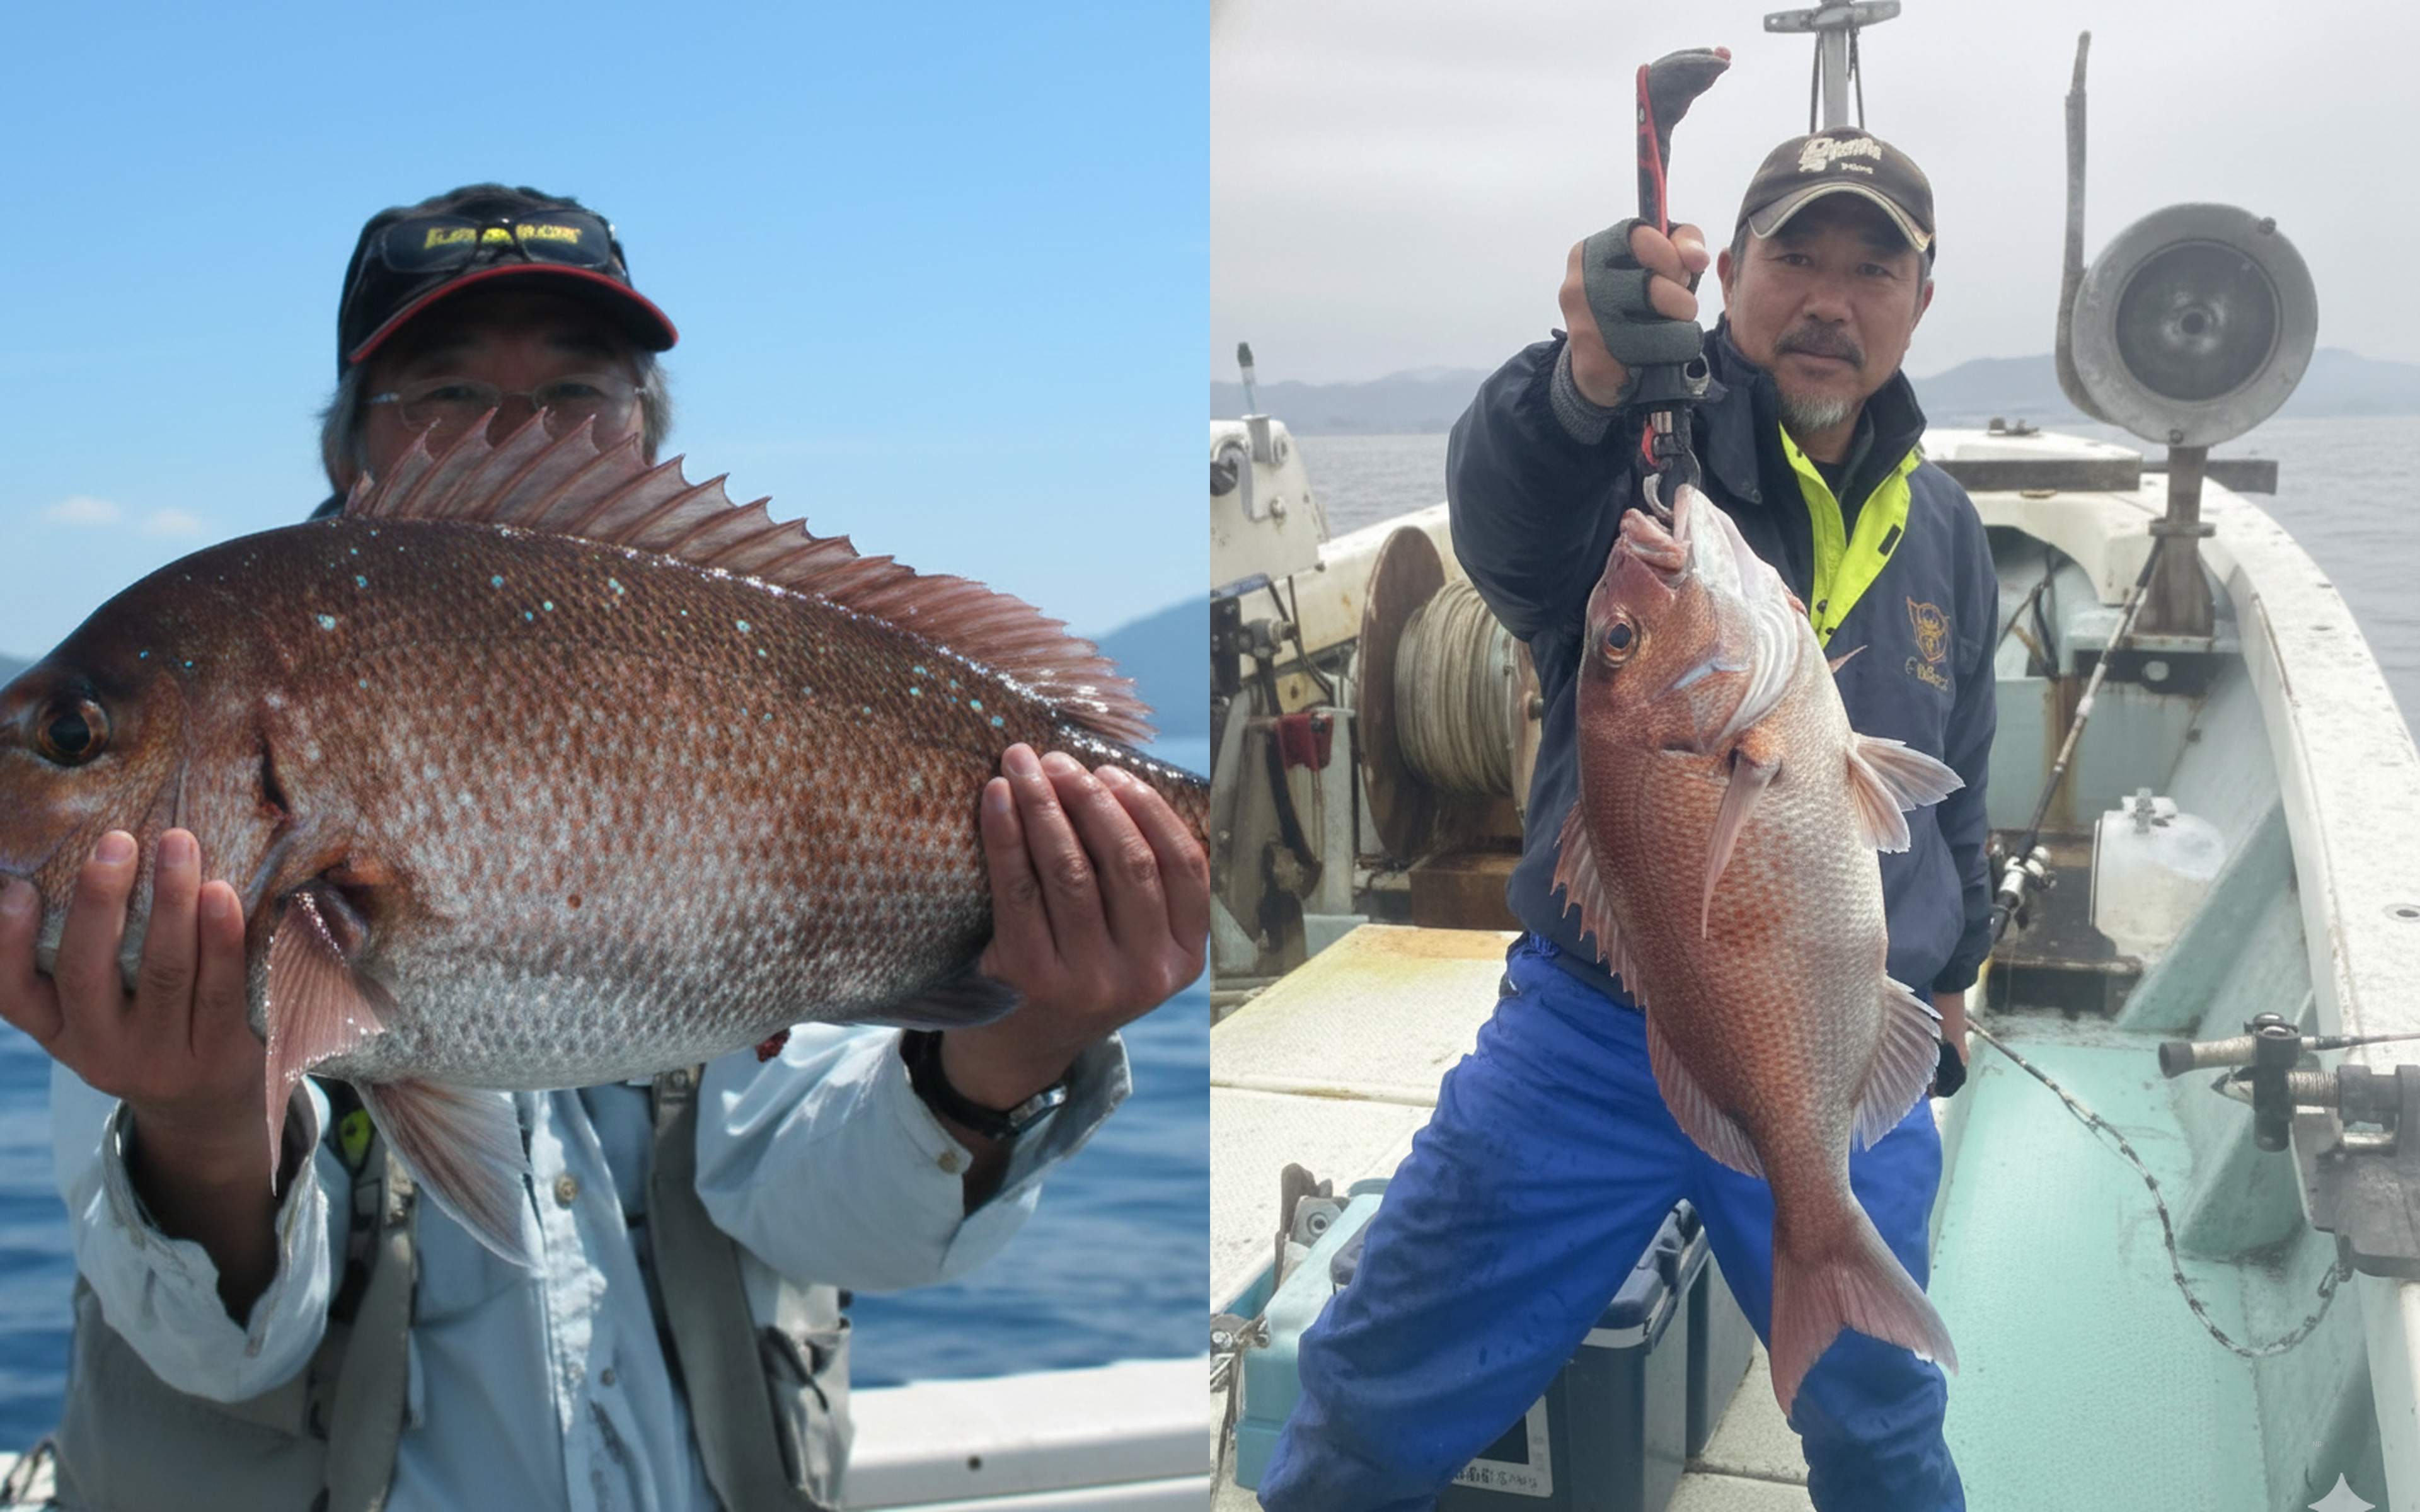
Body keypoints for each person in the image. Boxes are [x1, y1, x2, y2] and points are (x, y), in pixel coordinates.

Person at [0, 183, 1208, 1511]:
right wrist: (197, 1130)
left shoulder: (720, 668)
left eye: (578, 393)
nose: (518, 430)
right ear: (352, 445)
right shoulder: (145, 932)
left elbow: (838, 1217)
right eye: (448, 393)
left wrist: (1021, 1046)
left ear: (645, 435)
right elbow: (215, 1351)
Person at [1259, 129, 1993, 1510]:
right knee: (1374, 1387)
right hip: (1591, 1031)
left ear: (1920, 301)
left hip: (1835, 1035)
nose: (1829, 300)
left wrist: (1951, 974)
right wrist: (1581, 381)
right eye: (1795, 257)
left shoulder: (1945, 526)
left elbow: (1962, 768)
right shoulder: (1641, 466)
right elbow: (1512, 517)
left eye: (1871, 270)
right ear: (1735, 270)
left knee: (1884, 1423)